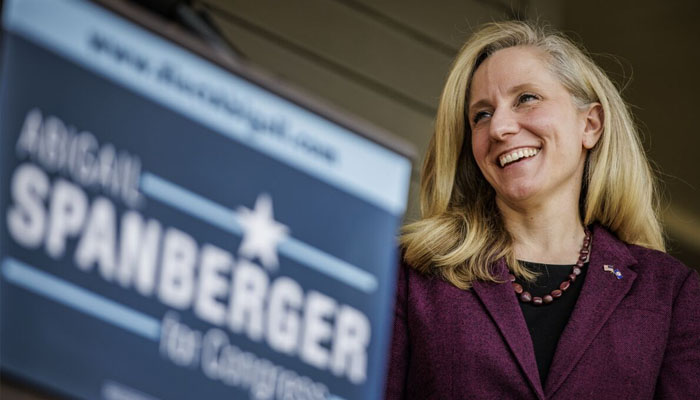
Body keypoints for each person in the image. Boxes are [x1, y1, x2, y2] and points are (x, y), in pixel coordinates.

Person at [385, 21, 700, 399]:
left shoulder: (669, 294)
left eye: (527, 98)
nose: (500, 127)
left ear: (591, 124)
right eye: (481, 115)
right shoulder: (414, 275)